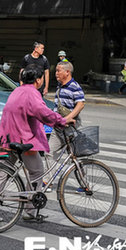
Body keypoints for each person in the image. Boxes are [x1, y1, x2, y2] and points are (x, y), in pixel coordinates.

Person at [0, 64, 73, 221]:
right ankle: (30, 211)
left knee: (2, 173)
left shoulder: (17, 90)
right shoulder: (32, 94)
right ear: (38, 80)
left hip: (7, 138)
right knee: (37, 172)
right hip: (23, 139)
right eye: (42, 77)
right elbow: (43, 113)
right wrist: (61, 121)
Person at [44, 62, 85, 191]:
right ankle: (48, 181)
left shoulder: (74, 86)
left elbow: (81, 103)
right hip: (58, 127)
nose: (56, 73)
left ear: (67, 72)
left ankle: (84, 184)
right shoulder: (59, 86)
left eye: (59, 71)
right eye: (56, 71)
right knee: (50, 152)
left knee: (75, 157)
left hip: (70, 128)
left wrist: (69, 117)